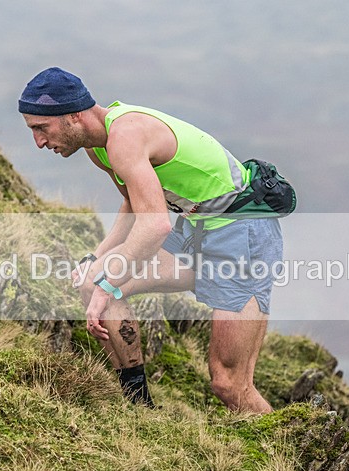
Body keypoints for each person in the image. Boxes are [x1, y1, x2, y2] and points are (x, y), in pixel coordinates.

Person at [18, 67, 285, 413]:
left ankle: (287, 463)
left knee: (229, 384)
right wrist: (95, 259)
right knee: (94, 279)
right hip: (197, 232)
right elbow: (133, 206)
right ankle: (139, 406)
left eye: (42, 128)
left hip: (244, 237)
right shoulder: (97, 146)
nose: (38, 142)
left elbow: (156, 224)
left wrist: (107, 283)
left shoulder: (124, 137)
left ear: (74, 115)